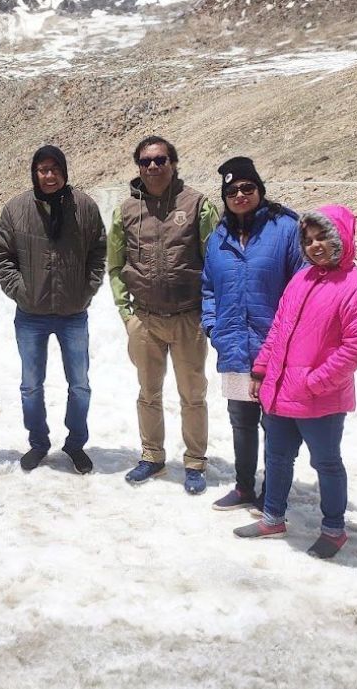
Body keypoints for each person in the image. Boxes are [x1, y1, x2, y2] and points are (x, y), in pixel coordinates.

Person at [234, 205, 357, 558]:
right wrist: (261, 371)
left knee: (326, 463)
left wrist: (314, 382)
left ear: (340, 238)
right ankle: (273, 518)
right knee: (278, 457)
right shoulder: (302, 278)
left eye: (322, 238)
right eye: (308, 239)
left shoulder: (355, 288)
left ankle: (333, 530)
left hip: (320, 397)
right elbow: (279, 329)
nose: (314, 245)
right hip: (282, 390)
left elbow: (356, 347)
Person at [107, 136, 219, 494]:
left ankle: (195, 462)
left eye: (160, 160)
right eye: (145, 161)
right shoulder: (126, 210)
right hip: (145, 320)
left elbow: (216, 263)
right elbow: (115, 265)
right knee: (148, 393)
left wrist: (208, 312)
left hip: (188, 318)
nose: (152, 167)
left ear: (173, 162)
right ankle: (152, 456)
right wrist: (127, 315)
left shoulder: (197, 204)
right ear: (137, 167)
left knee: (193, 394)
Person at [0, 146, 106, 473]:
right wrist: (20, 292)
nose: (50, 175)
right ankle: (38, 442)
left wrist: (86, 290)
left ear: (64, 172)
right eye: (43, 169)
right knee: (30, 384)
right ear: (35, 173)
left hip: (73, 313)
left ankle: (75, 444)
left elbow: (99, 251)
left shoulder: (83, 207)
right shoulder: (16, 209)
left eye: (55, 169)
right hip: (31, 314)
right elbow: (1, 254)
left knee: (80, 384)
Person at [201, 157, 303, 511]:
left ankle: (273, 495)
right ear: (225, 197)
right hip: (233, 346)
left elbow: (302, 286)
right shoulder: (218, 238)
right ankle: (244, 487)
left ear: (259, 190)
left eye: (247, 188)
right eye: (232, 191)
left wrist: (291, 336)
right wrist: (213, 326)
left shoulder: (286, 229)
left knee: (276, 425)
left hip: (276, 347)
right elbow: (208, 288)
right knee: (241, 421)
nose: (241, 195)